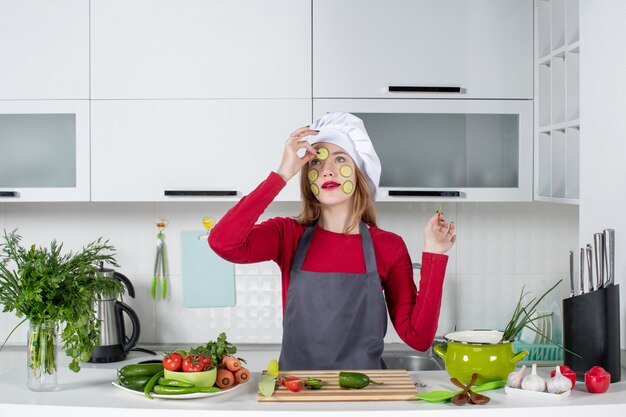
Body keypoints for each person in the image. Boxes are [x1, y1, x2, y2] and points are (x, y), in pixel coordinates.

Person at [209, 112, 456, 370]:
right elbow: (222, 242)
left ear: (359, 174)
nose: (327, 171)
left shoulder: (388, 246)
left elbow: (418, 337)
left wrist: (435, 254)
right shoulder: (287, 234)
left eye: (340, 159)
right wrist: (282, 174)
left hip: (366, 395)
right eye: (316, 162)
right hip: (299, 394)